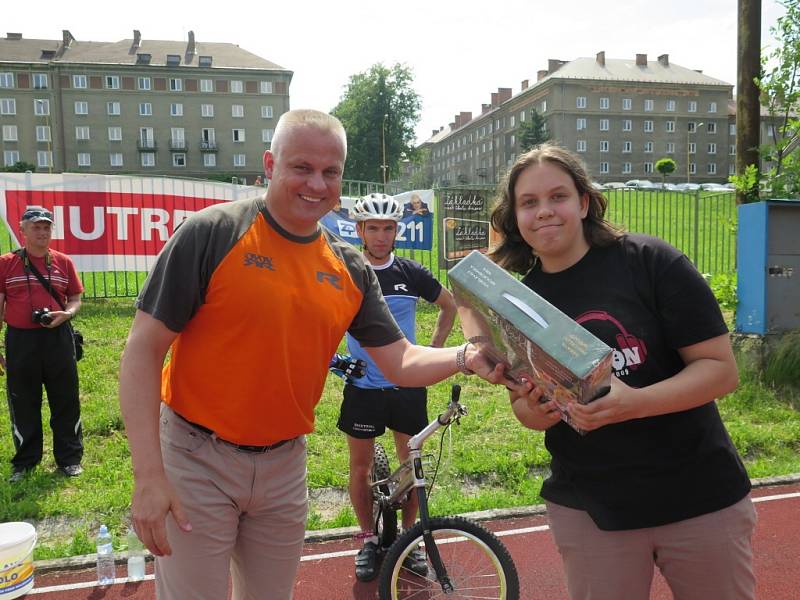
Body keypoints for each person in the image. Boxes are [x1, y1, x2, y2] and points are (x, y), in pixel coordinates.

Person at [118, 109, 502, 600]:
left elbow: (400, 361)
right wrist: (149, 475)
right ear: (270, 164)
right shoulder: (213, 233)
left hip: (282, 467)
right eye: (301, 167)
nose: (316, 184)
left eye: (331, 171)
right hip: (197, 457)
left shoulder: (349, 267)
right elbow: (142, 351)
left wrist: (466, 356)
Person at [490, 143, 755, 600]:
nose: (545, 212)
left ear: (584, 202)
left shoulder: (651, 262)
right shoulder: (521, 303)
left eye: (558, 196)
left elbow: (720, 371)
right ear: (514, 218)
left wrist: (634, 404)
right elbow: (523, 410)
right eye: (529, 203)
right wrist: (537, 407)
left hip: (698, 496)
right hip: (592, 509)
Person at [341, 193, 456, 581]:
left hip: (407, 384)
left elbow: (449, 306)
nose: (380, 236)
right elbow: (315, 319)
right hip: (363, 387)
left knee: (411, 465)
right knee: (359, 467)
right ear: (359, 230)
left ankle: (410, 540)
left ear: (397, 231)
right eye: (372, 228)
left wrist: (431, 353)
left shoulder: (409, 272)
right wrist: (334, 361)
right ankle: (368, 538)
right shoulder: (346, 271)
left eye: (388, 228)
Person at [0, 206, 83, 483]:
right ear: (22, 230)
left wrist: (67, 315)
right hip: (20, 340)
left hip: (58, 338)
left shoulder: (64, 262)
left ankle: (69, 459)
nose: (42, 231)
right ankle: (25, 462)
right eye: (36, 226)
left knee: (66, 399)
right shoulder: (5, 263)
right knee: (23, 400)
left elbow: (75, 298)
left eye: (47, 226)